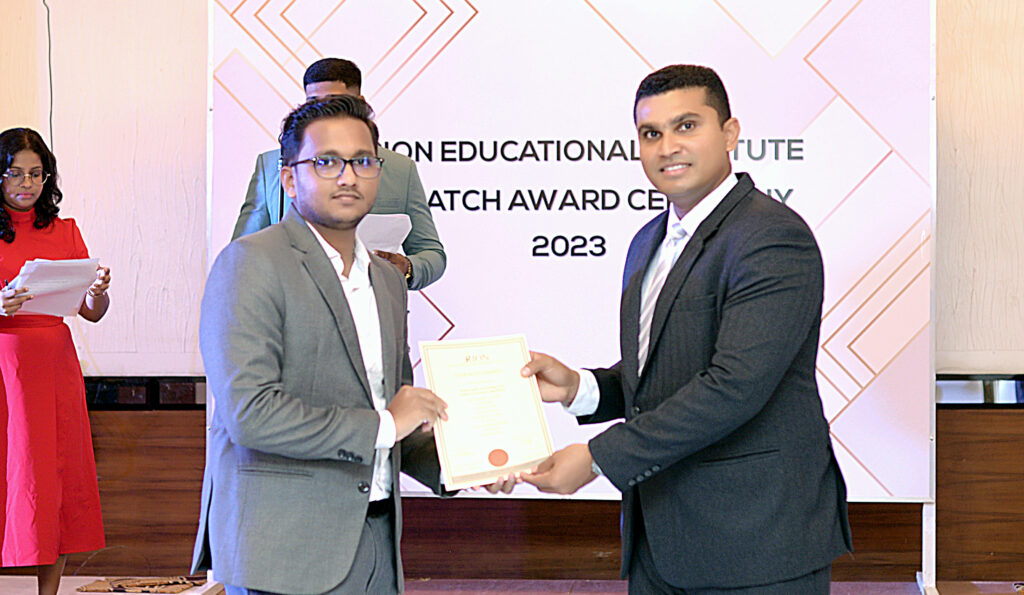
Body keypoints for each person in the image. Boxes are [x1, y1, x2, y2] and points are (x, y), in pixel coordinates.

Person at [521, 65, 852, 594]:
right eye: (651, 133)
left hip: (755, 541)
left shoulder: (771, 237)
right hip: (660, 538)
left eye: (687, 126)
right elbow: (669, 372)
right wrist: (581, 387)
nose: (667, 146)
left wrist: (599, 458)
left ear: (729, 133)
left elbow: (734, 386)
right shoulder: (648, 240)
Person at [193, 96, 512, 595]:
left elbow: (395, 412)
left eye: (363, 161)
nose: (348, 177)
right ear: (289, 178)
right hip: (284, 549)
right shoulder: (251, 262)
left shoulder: (387, 280)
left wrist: (466, 464)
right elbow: (250, 413)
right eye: (327, 161)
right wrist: (387, 423)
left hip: (377, 539)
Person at [0, 128, 111, 595]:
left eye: (36, 174)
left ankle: (49, 593)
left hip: (53, 365)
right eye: (15, 173)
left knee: (55, 476)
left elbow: (91, 312)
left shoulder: (65, 231)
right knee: (8, 472)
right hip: (6, 366)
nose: (26, 183)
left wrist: (96, 292)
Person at [232, 57, 446, 290]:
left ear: (359, 103)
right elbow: (242, 254)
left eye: (335, 103)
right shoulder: (272, 165)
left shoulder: (400, 169)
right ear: (289, 178)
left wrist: (406, 268)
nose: (323, 114)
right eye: (313, 104)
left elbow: (432, 253)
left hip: (373, 302)